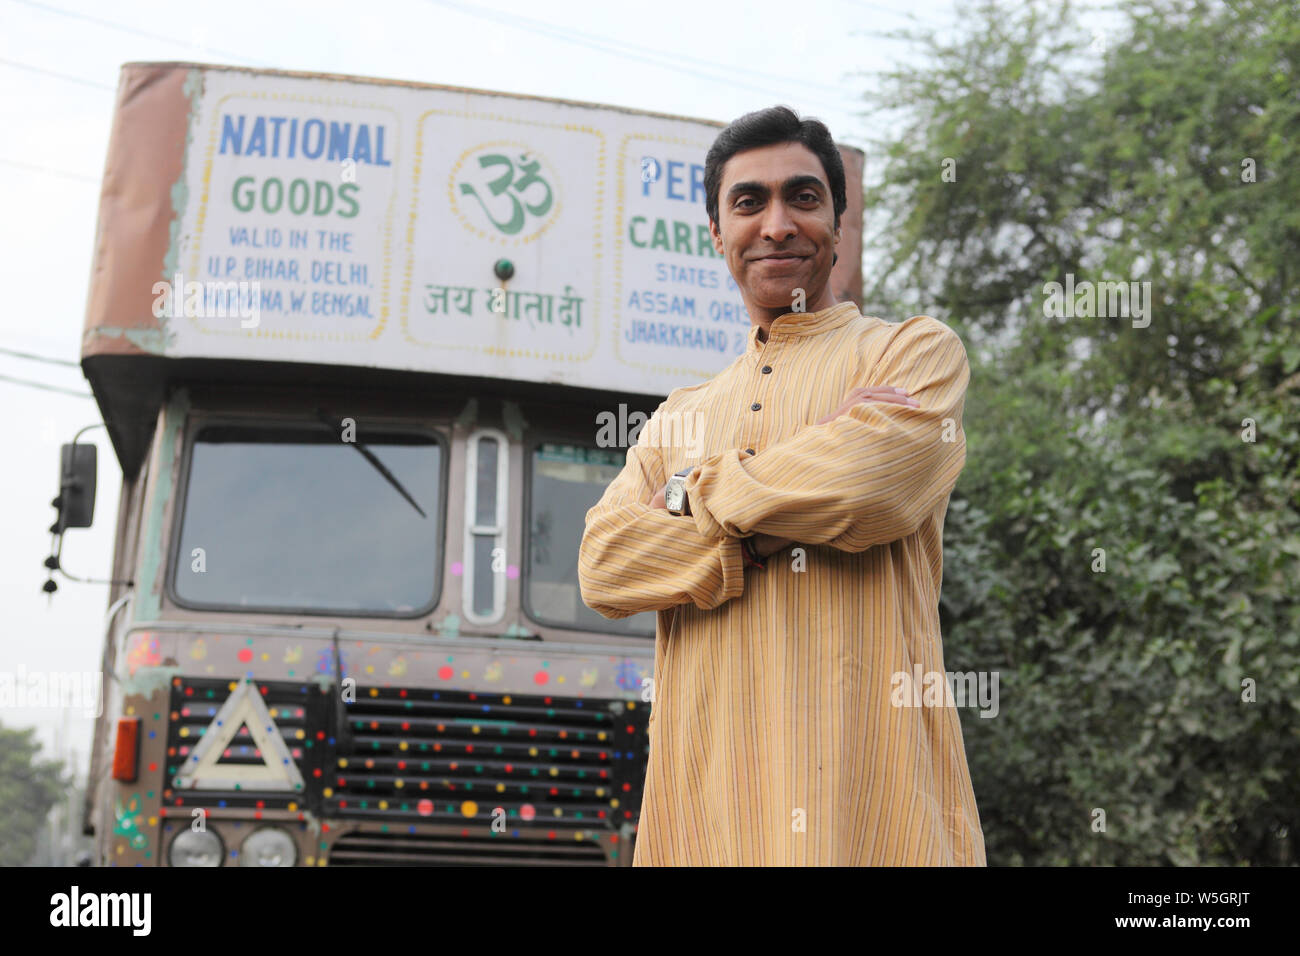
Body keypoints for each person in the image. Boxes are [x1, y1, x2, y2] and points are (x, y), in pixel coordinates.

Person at [578, 105, 986, 865]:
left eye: (803, 197)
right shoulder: (678, 417)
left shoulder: (912, 355)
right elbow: (603, 564)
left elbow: (872, 489)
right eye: (748, 202)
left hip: (873, 815)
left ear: (839, 223)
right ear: (716, 234)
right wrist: (764, 518)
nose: (776, 223)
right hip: (707, 824)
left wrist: (688, 498)